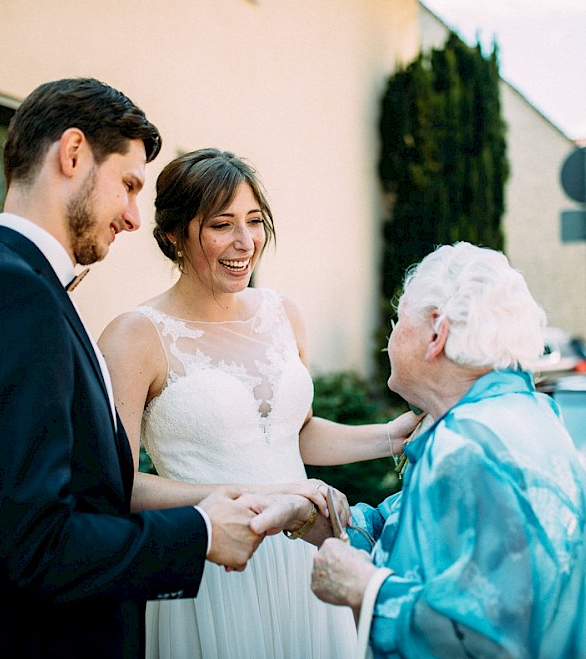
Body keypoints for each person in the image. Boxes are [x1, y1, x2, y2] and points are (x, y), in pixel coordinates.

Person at [0, 80, 274, 658]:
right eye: (127, 185)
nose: (132, 216)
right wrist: (200, 534)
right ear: (72, 155)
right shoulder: (5, 297)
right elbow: (34, 544)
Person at [97, 148, 422, 658]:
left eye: (254, 221)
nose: (244, 242)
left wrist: (390, 435)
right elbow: (120, 484)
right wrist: (267, 495)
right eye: (222, 225)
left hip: (307, 557)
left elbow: (297, 431)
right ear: (173, 236)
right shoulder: (134, 337)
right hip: (214, 568)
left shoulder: (282, 312)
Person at [307, 243, 586, 657]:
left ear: (436, 332)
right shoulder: (528, 414)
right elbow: (407, 527)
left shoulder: (468, 443)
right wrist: (315, 516)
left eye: (398, 319)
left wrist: (366, 589)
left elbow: (490, 637)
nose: (391, 334)